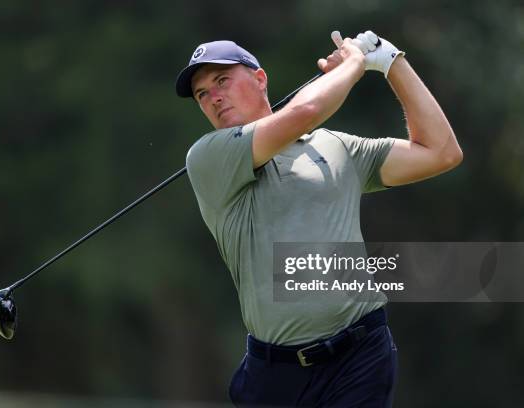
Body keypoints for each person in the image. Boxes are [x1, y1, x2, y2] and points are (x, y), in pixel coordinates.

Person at [176, 31, 462, 407]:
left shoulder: (335, 146)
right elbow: (304, 112)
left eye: (222, 81)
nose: (213, 97)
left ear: (260, 79)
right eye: (202, 94)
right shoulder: (208, 158)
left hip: (360, 356)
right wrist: (354, 66)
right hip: (275, 375)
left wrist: (391, 62)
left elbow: (441, 152)